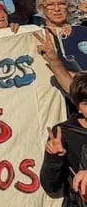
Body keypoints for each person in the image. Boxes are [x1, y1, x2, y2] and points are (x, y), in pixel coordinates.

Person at [40, 73, 87, 206]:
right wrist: (55, 158)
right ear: (77, 106)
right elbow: (51, 187)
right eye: (86, 104)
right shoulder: (64, 133)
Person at [37, 0, 87, 71]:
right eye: (50, 5)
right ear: (42, 8)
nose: (57, 9)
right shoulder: (41, 37)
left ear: (68, 6)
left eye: (61, 4)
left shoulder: (83, 30)